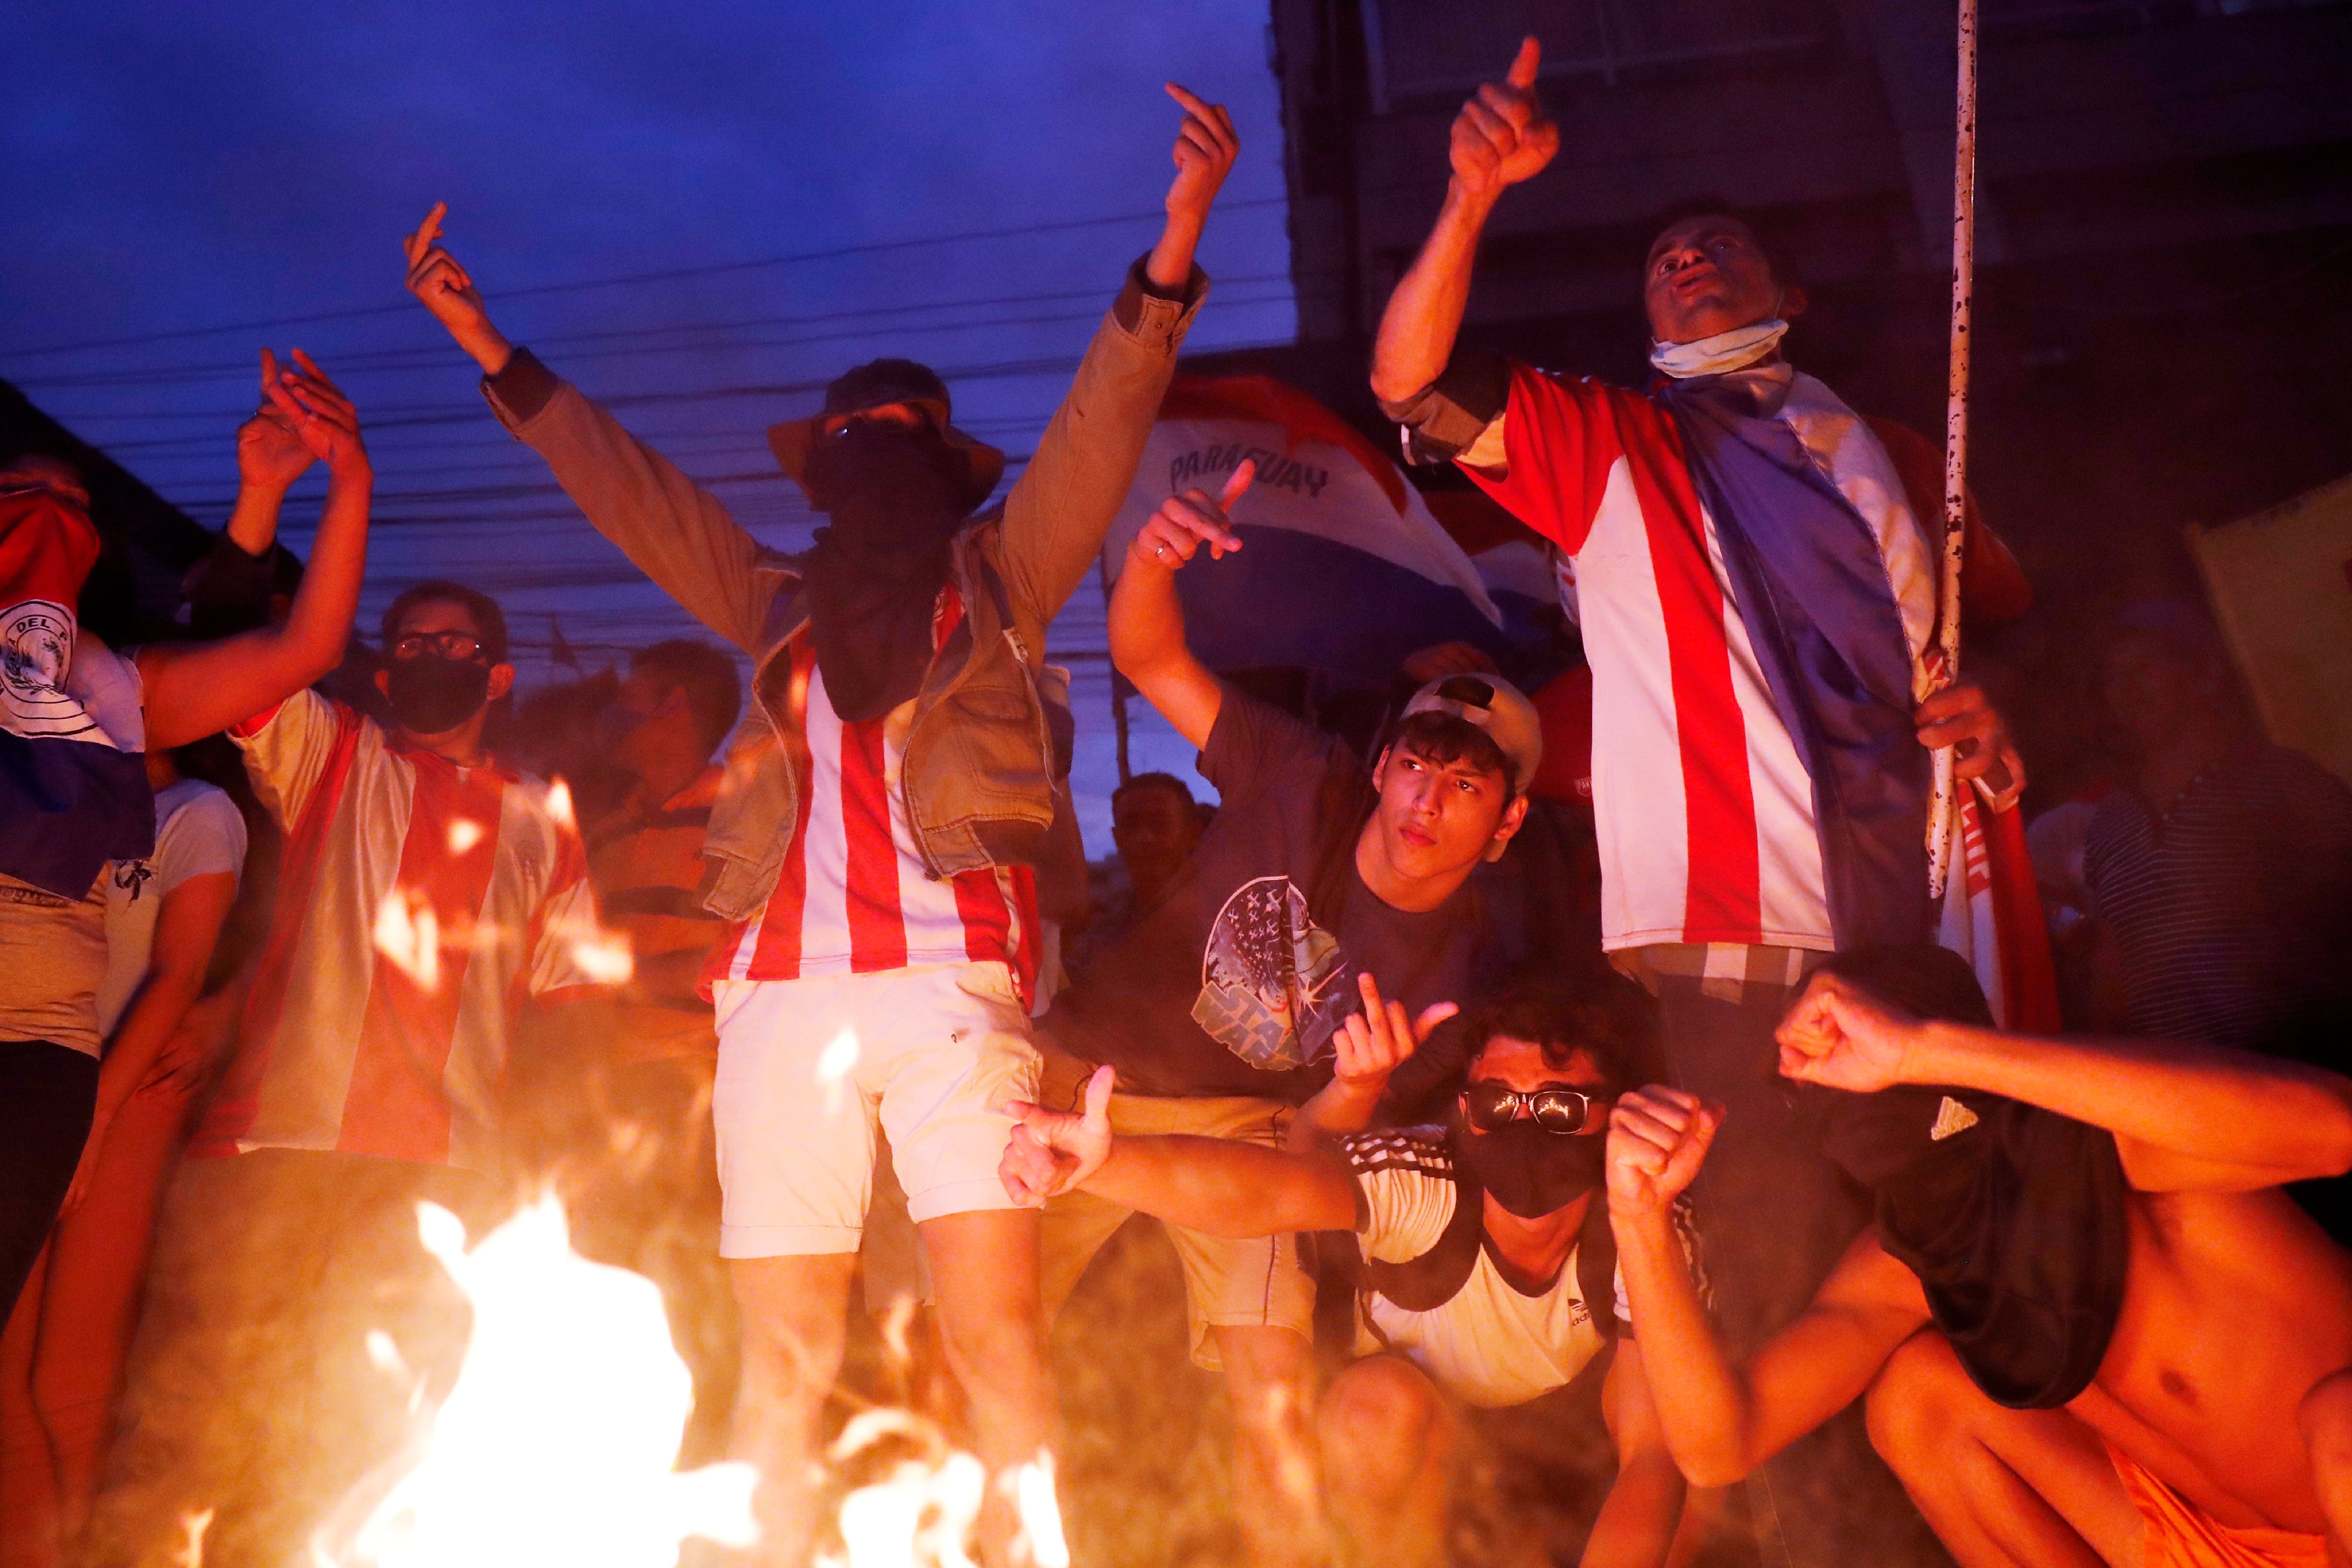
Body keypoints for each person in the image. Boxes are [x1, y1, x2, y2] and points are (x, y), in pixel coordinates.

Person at [402, 85, 1239, 1565]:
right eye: (850, 441)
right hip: (776, 1003)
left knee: (995, 1343)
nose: (872, 462)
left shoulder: (1000, 578)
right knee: (779, 1354)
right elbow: (637, 497)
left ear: (938, 461)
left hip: (953, 1002)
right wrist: (489, 349)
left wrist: (1176, 235)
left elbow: (1100, 428)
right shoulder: (772, 604)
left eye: (896, 439)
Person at [1367, 36, 2037, 1562]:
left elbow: (1942, 708)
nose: (1684, 260)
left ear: (1783, 296)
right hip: (1717, 997)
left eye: (1719, 248)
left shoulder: (1882, 461)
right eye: (1664, 255)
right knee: (1731, 1373)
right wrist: (1470, 196)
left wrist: (1985, 727)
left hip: (1903, 971)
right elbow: (1407, 374)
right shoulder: (1615, 446)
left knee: (1920, 1331)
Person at [1020, 457, 1538, 1566]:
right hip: (1086, 1077)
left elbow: (1314, 1166)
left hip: (1244, 1132)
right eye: (1415, 763)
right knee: (980, 1330)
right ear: (1385, 761)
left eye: (1465, 786)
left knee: (1272, 1404)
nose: (1425, 800)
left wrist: (1353, 1089)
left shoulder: (1460, 978)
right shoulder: (1299, 771)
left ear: (1503, 824)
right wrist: (1155, 558)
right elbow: (1148, 654)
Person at [83, 576, 619, 1568]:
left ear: (496, 676)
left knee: (360, 1456)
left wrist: (569, 1181)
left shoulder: (548, 821)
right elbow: (248, 657)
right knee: (193, 1429)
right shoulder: (334, 754)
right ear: (383, 670)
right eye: (409, 644)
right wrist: (270, 504)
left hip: (441, 1182)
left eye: (452, 645)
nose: (427, 657)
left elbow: (574, 1018)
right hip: (268, 1151)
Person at [1606, 943, 2352, 1568]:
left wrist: (1921, 1049)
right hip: (2207, 1546)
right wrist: (1637, 1216)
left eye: (1852, 1042)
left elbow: (2333, 1127)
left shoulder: (2121, 1144)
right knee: (1914, 1396)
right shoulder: (1909, 1265)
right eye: (1815, 1062)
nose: (1844, 1068)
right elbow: (1718, 1447)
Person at [1000, 988, 1690, 1568]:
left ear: (1616, 1115)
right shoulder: (1428, 1184)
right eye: (1496, 1105)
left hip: (1550, 1434)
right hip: (1378, 1420)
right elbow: (1270, 1193)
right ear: (1467, 1107)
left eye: (1559, 1109)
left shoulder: (1640, 1225)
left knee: (1699, 1465)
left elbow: (1650, 1459)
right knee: (1378, 1406)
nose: (1523, 1128)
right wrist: (1107, 1163)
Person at [0, 351, 373, 1326]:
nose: (47, 511)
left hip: (35, 1061)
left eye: (74, 504)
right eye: (19, 493)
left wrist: (345, 479)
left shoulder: (112, 688)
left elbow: (300, 649)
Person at [0, 744, 244, 1568]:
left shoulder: (197, 811)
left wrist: (97, 1120)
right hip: (32, 1088)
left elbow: (181, 973)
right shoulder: (37, 795)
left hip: (124, 1095)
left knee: (67, 1378)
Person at [2082, 600, 2352, 1054]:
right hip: (2186, 1100)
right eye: (2114, 678)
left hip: (2303, 1074)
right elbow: (2114, 958)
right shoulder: (2109, 825)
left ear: (2205, 674)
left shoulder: (2283, 782)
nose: (2128, 688)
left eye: (2146, 667)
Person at [1062, 770, 1205, 981]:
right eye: (1130, 825)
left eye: (1159, 823)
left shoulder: (1222, 928)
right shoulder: (1098, 943)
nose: (1145, 837)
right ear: (1117, 838)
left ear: (1193, 833)